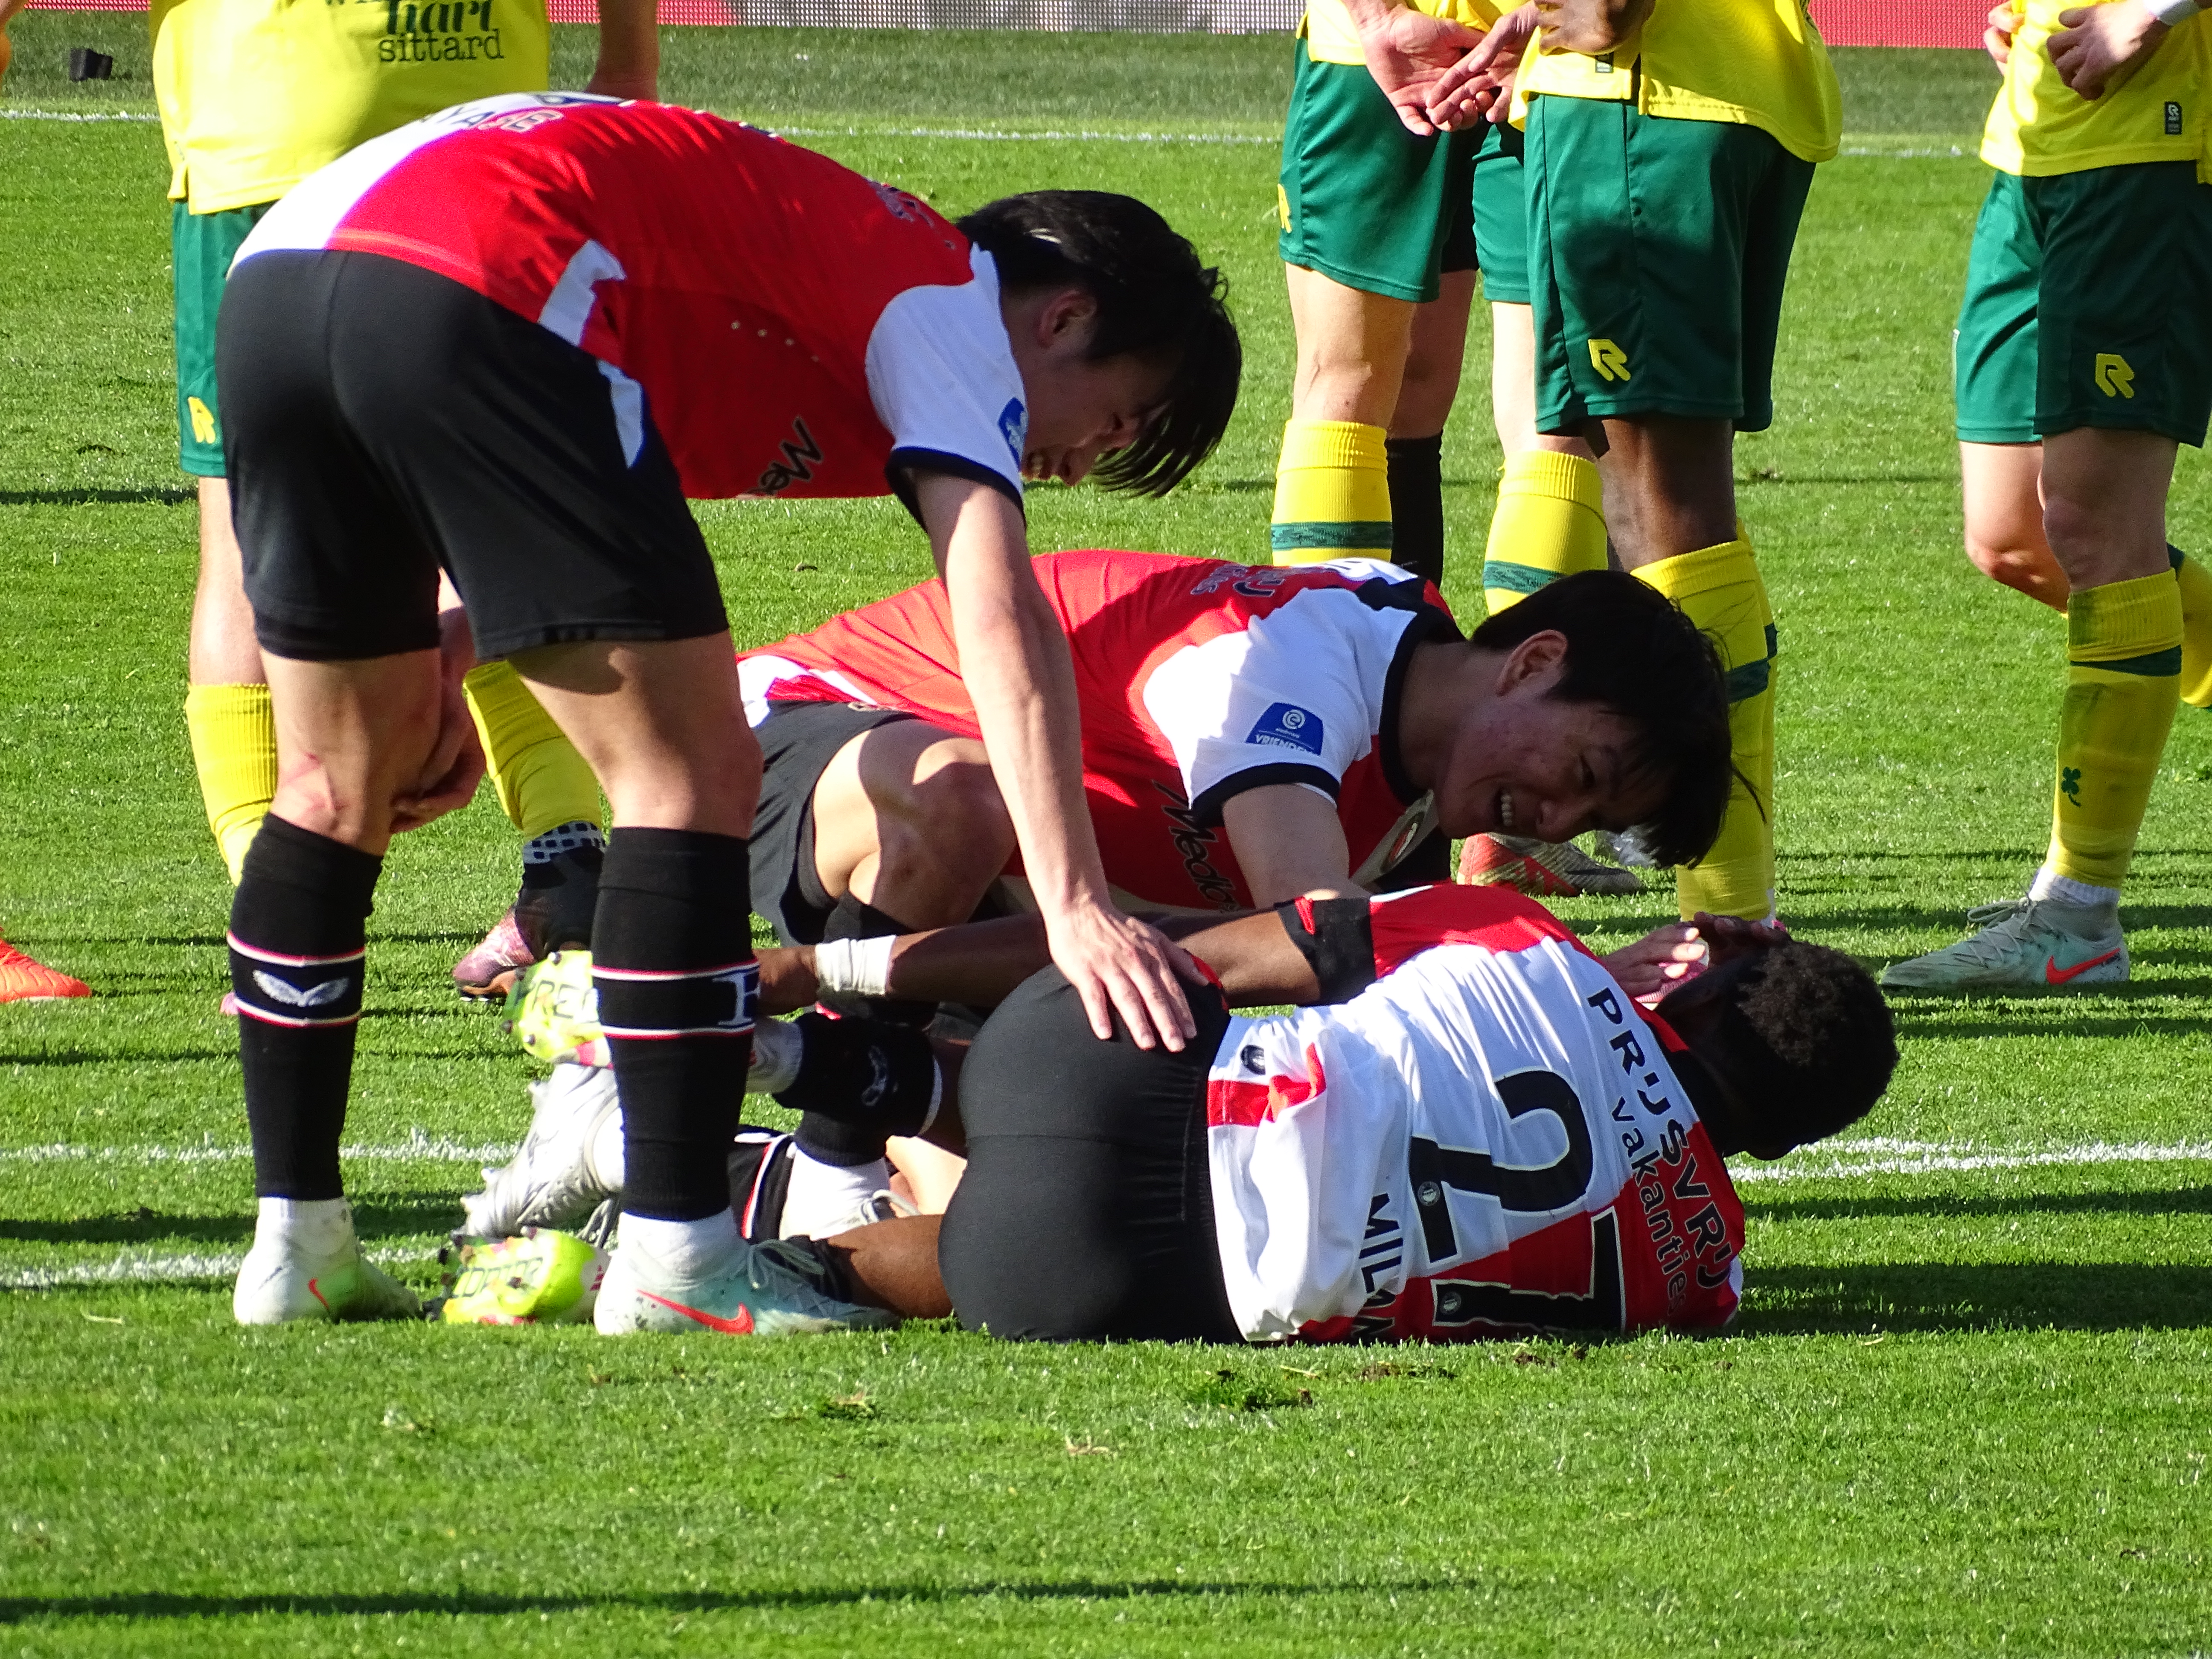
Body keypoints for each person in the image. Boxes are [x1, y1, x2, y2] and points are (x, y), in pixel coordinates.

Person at [211, 92, 1241, 1333]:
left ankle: (296, 1249)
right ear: (1064, 314)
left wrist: (451, 639)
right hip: (478, 270)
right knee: (692, 781)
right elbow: (1001, 607)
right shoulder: (948, 303)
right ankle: (681, 1259)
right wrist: (1075, 907)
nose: (1083, 464)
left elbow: (562, 501)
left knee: (335, 782)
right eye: (1119, 420)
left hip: (286, 274)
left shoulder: (786, 310)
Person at [460, 884, 1895, 1342]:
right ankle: (750, 1275)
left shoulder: (1522, 936)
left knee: (1139, 1018)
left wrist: (847, 964)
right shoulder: (1705, 1275)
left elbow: (1216, 950)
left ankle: (765, 1067)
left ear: (1700, 980)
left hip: (1091, 1068)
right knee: (971, 1261)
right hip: (1099, 1273)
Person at [156, 0, 654, 975]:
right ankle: (559, 860)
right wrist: (630, 58)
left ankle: (289, 902)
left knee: (257, 540)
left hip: (309, 132)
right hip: (446, 130)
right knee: (490, 518)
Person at [728, 560, 1730, 959]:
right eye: (1586, 778)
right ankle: (833, 1150)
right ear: (1536, 661)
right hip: (800, 735)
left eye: (1588, 825)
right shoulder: (1294, 657)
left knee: (1015, 1217)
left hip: (989, 889)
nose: (1552, 823)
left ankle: (684, 1122)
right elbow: (1318, 938)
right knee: (966, 797)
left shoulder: (1424, 777)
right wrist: (1583, 976)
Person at [1429, 0, 1842, 925]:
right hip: (1726, 89)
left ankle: (1731, 922)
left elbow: (1604, 12)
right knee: (1649, 491)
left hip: (1640, 101)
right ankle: (1728, 910)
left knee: (1669, 516)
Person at [1886, 0, 2210, 990]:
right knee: (2013, 535)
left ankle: (2078, 916)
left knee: (2100, 529)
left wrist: (2151, 11)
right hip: (2034, 148)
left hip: (2151, 149)